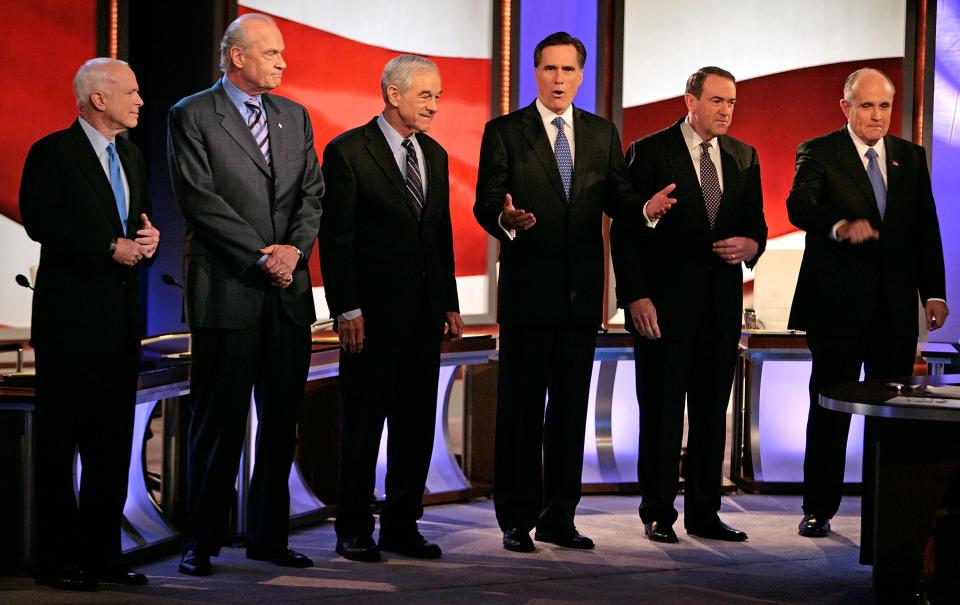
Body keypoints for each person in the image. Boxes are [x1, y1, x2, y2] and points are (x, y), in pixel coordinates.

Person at [167, 13, 323, 575]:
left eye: (282, 54)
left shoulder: (293, 115)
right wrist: (262, 254)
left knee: (280, 424)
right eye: (272, 53)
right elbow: (199, 199)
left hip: (287, 294)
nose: (283, 63)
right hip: (228, 290)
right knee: (218, 425)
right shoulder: (191, 114)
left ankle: (268, 537)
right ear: (237, 57)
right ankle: (201, 541)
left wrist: (293, 251)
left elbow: (312, 193)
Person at [474, 31, 642, 553]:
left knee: (569, 413)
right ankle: (516, 520)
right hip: (527, 296)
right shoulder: (504, 131)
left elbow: (619, 195)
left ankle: (558, 518)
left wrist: (645, 209)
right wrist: (504, 218)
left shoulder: (601, 133)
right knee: (521, 411)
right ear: (536, 72)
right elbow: (485, 202)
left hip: (579, 299)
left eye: (568, 70)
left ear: (581, 75)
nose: (559, 79)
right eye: (550, 69)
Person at [787, 67, 948, 538]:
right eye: (866, 106)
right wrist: (838, 227)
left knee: (891, 418)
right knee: (831, 412)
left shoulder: (910, 157)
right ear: (846, 107)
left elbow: (925, 230)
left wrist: (933, 292)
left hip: (894, 313)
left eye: (883, 106)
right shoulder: (819, 151)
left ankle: (885, 516)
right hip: (836, 310)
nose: (876, 115)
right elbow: (800, 205)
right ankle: (818, 508)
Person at [610, 66, 767, 544]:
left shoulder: (744, 156)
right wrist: (635, 295)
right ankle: (657, 511)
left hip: (719, 311)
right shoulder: (650, 151)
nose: (725, 111)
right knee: (660, 414)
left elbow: (756, 226)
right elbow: (625, 229)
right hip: (661, 310)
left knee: (708, 415)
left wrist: (751, 246)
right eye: (717, 101)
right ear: (690, 102)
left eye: (732, 102)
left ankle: (704, 511)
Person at [20, 57, 158, 590]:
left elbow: (137, 218)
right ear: (99, 99)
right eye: (131, 91)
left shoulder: (132, 155)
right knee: (60, 447)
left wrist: (148, 239)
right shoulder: (53, 152)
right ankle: (58, 560)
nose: (140, 99)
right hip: (70, 325)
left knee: (110, 447)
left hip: (120, 325)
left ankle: (104, 554)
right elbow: (41, 220)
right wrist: (108, 246)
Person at [319, 55, 463, 563]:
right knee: (362, 426)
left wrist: (449, 302)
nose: (434, 106)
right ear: (393, 94)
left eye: (438, 96)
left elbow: (438, 234)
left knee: (415, 425)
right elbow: (335, 239)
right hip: (370, 319)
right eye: (425, 95)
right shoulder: (348, 152)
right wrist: (346, 308)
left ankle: (402, 525)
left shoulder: (436, 154)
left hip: (423, 318)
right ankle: (353, 528)